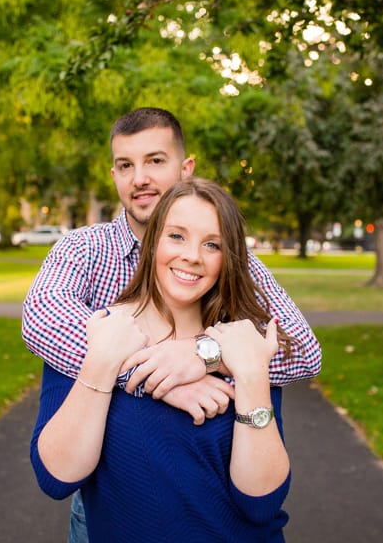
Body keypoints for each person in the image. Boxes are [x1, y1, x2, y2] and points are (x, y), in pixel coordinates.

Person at [22, 107, 321, 541]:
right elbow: (42, 320)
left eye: (155, 161)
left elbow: (300, 350)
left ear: (185, 168)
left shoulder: (239, 324)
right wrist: (154, 374)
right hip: (108, 505)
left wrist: (204, 355)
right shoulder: (87, 253)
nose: (140, 178)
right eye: (126, 165)